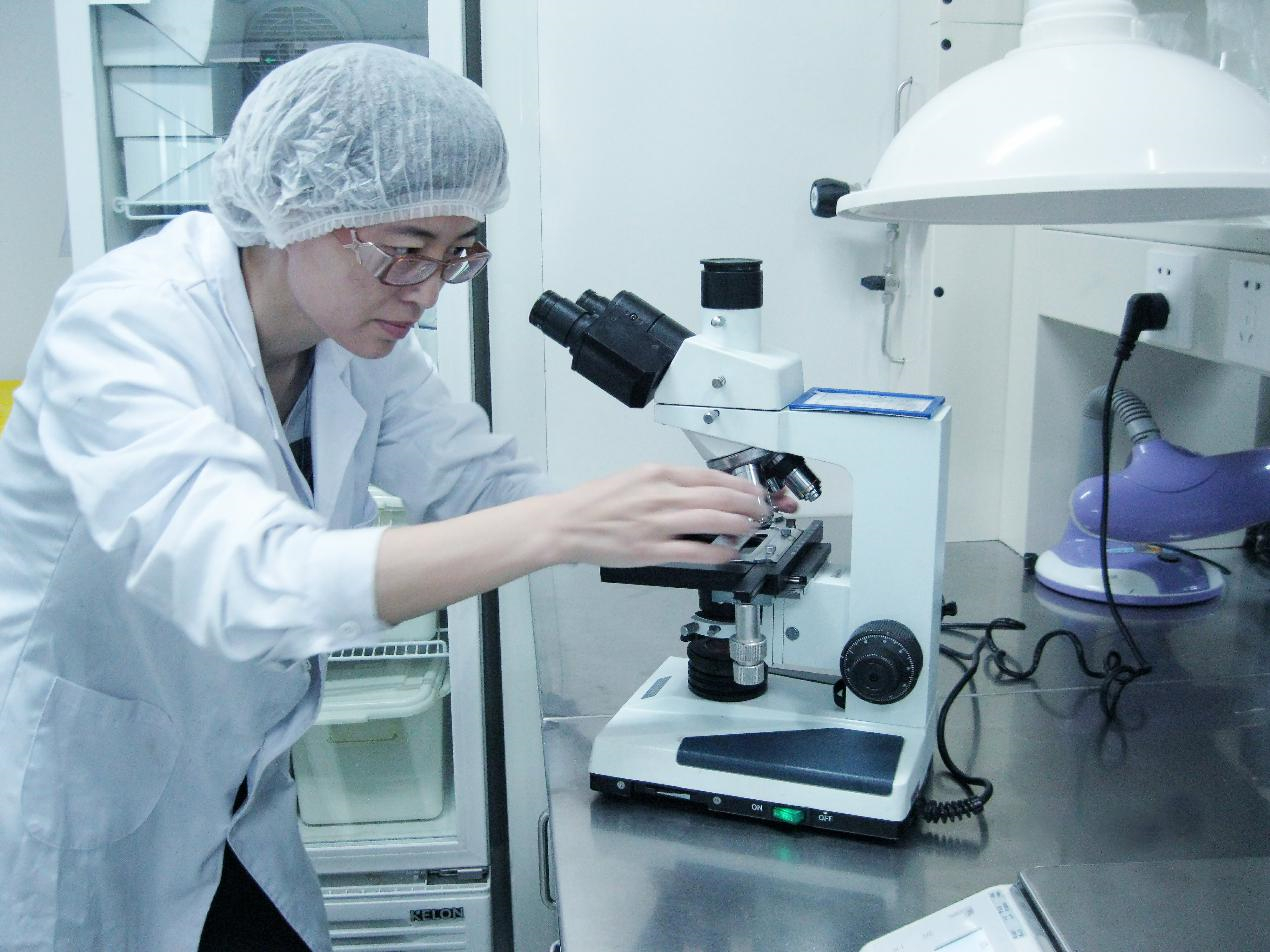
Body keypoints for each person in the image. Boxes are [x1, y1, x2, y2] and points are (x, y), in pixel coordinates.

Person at [0, 44, 785, 951]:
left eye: (456, 255)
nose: (427, 291)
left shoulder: (354, 344)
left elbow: (482, 486)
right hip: (80, 797)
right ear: (299, 210)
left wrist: (682, 522)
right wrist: (568, 524)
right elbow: (250, 581)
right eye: (405, 252)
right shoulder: (125, 324)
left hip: (233, 792)